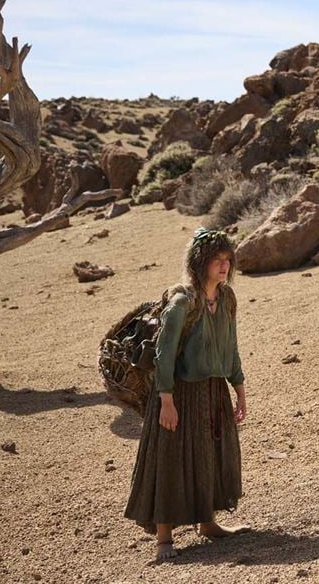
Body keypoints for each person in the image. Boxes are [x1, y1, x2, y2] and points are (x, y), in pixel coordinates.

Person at [124, 227, 250, 561]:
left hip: (213, 390)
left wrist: (239, 390)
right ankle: (164, 538)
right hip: (178, 392)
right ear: (200, 262)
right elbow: (165, 355)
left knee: (209, 453)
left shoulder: (226, 298)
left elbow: (231, 347)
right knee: (171, 458)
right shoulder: (182, 301)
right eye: (216, 260)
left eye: (227, 259)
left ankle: (207, 522)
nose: (223, 266)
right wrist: (166, 399)